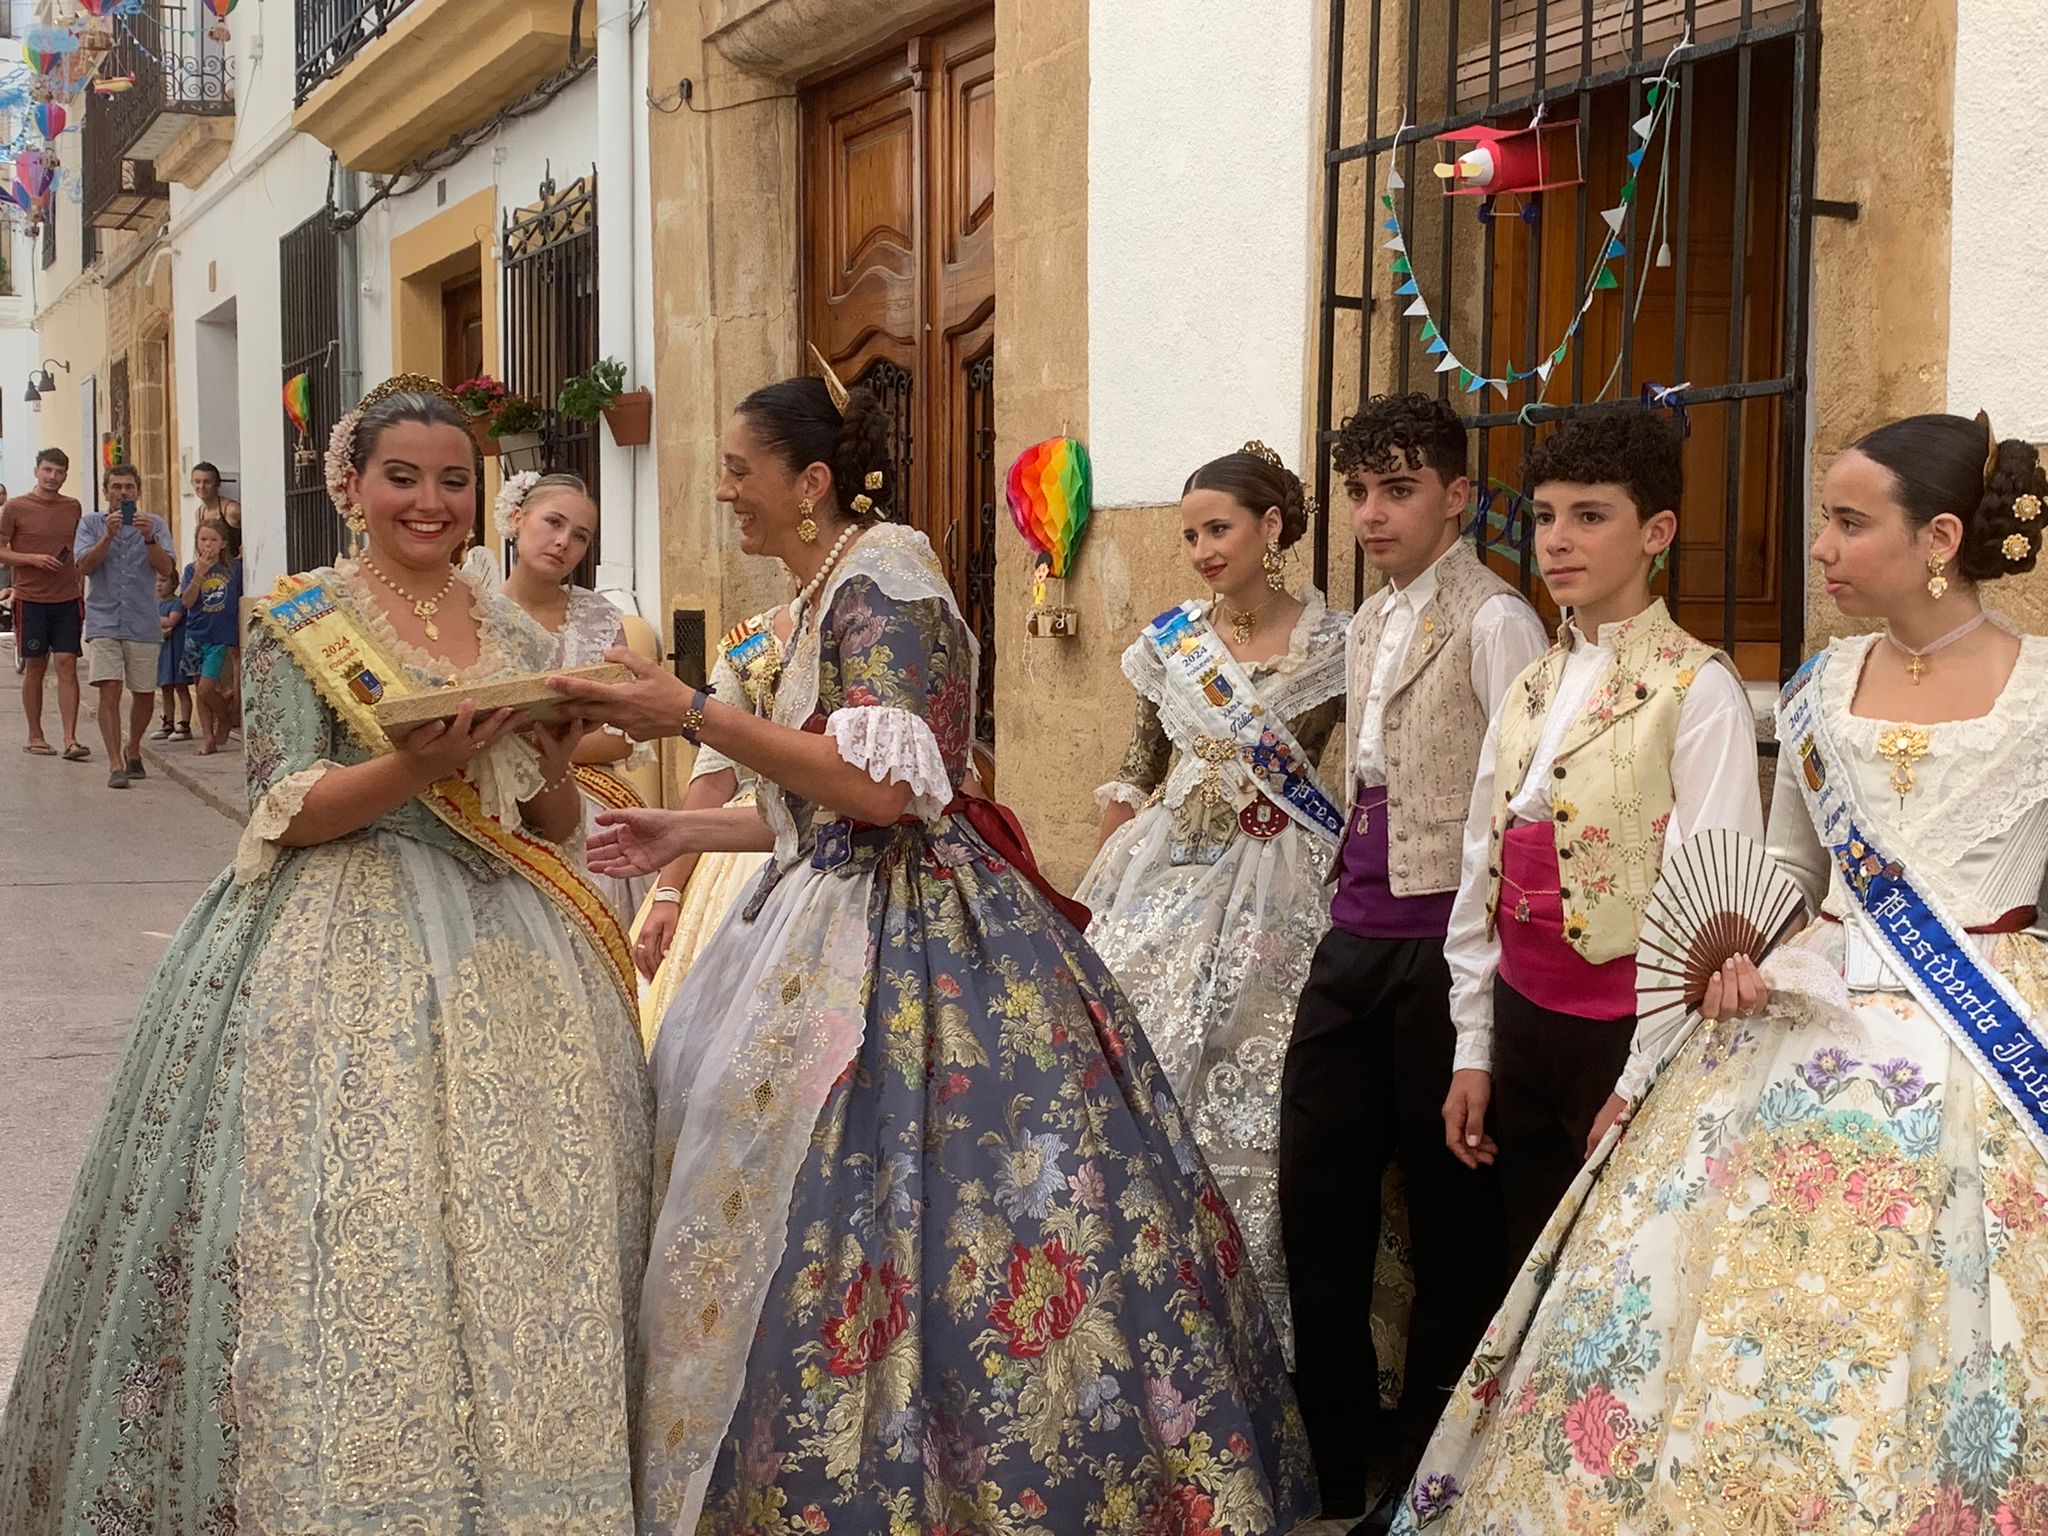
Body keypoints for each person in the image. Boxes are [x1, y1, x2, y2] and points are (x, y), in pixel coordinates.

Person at [552, 369, 1315, 1535]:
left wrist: (692, 717)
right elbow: (828, 802)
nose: (725, 497)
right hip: (825, 904)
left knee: (956, 1205)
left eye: (739, 474)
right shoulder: (818, 593)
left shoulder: (886, 580)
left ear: (809, 482)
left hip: (910, 941)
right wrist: (689, 829)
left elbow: (884, 791)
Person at [0, 377, 652, 1533]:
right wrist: (423, 765)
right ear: (350, 486)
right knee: (350, 1224)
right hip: (338, 930)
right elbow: (284, 805)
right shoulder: (295, 614)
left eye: (454, 480)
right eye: (403, 476)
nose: (431, 501)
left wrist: (548, 749)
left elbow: (548, 825)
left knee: (518, 1226)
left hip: (508, 942)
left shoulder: (509, 626)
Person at [1389, 414, 2048, 1533]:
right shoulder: (1813, 686)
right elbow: (1784, 868)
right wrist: (1738, 949)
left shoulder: (2041, 691)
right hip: (1806, 1028)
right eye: (1822, 522)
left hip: (1983, 1043)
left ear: (1937, 537)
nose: (1821, 549)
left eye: (1847, 523)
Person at [1271, 394, 1548, 1529]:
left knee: (1449, 1213)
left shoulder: (1496, 621)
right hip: (1352, 936)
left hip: (1447, 944)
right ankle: (1333, 1460)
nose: (1371, 514)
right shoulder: (1369, 620)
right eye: (1356, 492)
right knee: (1317, 1195)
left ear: (1455, 498)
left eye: (1395, 491)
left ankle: (1436, 1469)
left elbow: (1521, 806)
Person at [1439, 407, 1762, 1273]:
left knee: (1615, 1267)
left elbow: (1711, 901)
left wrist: (1639, 1077)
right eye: (1544, 516)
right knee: (1524, 1256)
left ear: (1657, 531)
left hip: (1624, 1031)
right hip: (1521, 1016)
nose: (1557, 540)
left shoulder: (1696, 689)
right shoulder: (1532, 686)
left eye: (1590, 516)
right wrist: (1475, 1046)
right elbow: (1484, 866)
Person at [1076, 440, 1349, 1360]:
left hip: (1282, 883)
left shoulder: (1337, 644)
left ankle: (1261, 1336)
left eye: (1217, 529)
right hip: (1162, 876)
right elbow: (1134, 768)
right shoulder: (1172, 645)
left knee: (1261, 1078)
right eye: (1190, 534)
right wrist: (1096, 884)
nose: (1201, 550)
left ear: (1271, 527)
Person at [489, 469, 656, 923]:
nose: (564, 542)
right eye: (554, 523)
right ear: (517, 518)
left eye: (580, 536)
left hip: (592, 797)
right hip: (497, 795)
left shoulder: (600, 616)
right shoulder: (477, 614)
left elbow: (621, 737)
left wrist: (540, 752)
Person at [631, 611, 778, 1051]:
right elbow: (714, 776)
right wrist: (669, 893)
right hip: (747, 839)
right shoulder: (750, 643)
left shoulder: (877, 630)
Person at [76, 463, 177, 788]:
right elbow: (85, 567)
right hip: (104, 618)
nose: (122, 493)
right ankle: (115, 762)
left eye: (128, 488)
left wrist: (149, 539)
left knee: (144, 692)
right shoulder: (91, 523)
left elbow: (167, 569)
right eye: (116, 487)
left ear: (138, 491)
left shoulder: (155, 524)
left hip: (142, 619)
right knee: (109, 687)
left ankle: (133, 747)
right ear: (106, 492)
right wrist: (108, 535)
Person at [0, 450, 86, 759]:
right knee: (36, 666)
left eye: (59, 471)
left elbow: (81, 548)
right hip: (30, 599)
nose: (52, 476)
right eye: (47, 470)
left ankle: (71, 739)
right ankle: (35, 735)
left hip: (67, 599)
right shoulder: (15, 507)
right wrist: (32, 559)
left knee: (67, 664)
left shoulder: (73, 507)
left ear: (65, 475)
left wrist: (81, 582)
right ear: (36, 471)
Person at [179, 519, 242, 756]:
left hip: (219, 638)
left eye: (213, 540)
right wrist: (199, 574)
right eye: (203, 539)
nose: (208, 545)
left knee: (206, 689)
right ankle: (208, 737)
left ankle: (224, 719)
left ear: (223, 543)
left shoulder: (233, 570)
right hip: (195, 634)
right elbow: (186, 601)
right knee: (199, 689)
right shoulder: (190, 570)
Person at [154, 567, 194, 740]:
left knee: (181, 686)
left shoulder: (177, 603)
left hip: (177, 651)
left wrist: (152, 620)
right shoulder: (154, 605)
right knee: (166, 687)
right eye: (156, 581)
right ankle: (168, 722)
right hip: (162, 652)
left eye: (163, 581)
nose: (158, 585)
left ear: (173, 583)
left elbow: (172, 621)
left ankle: (185, 723)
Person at [190, 459, 241, 556]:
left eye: (207, 482)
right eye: (197, 482)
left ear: (217, 484)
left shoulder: (232, 510)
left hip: (234, 567)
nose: (202, 486)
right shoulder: (199, 513)